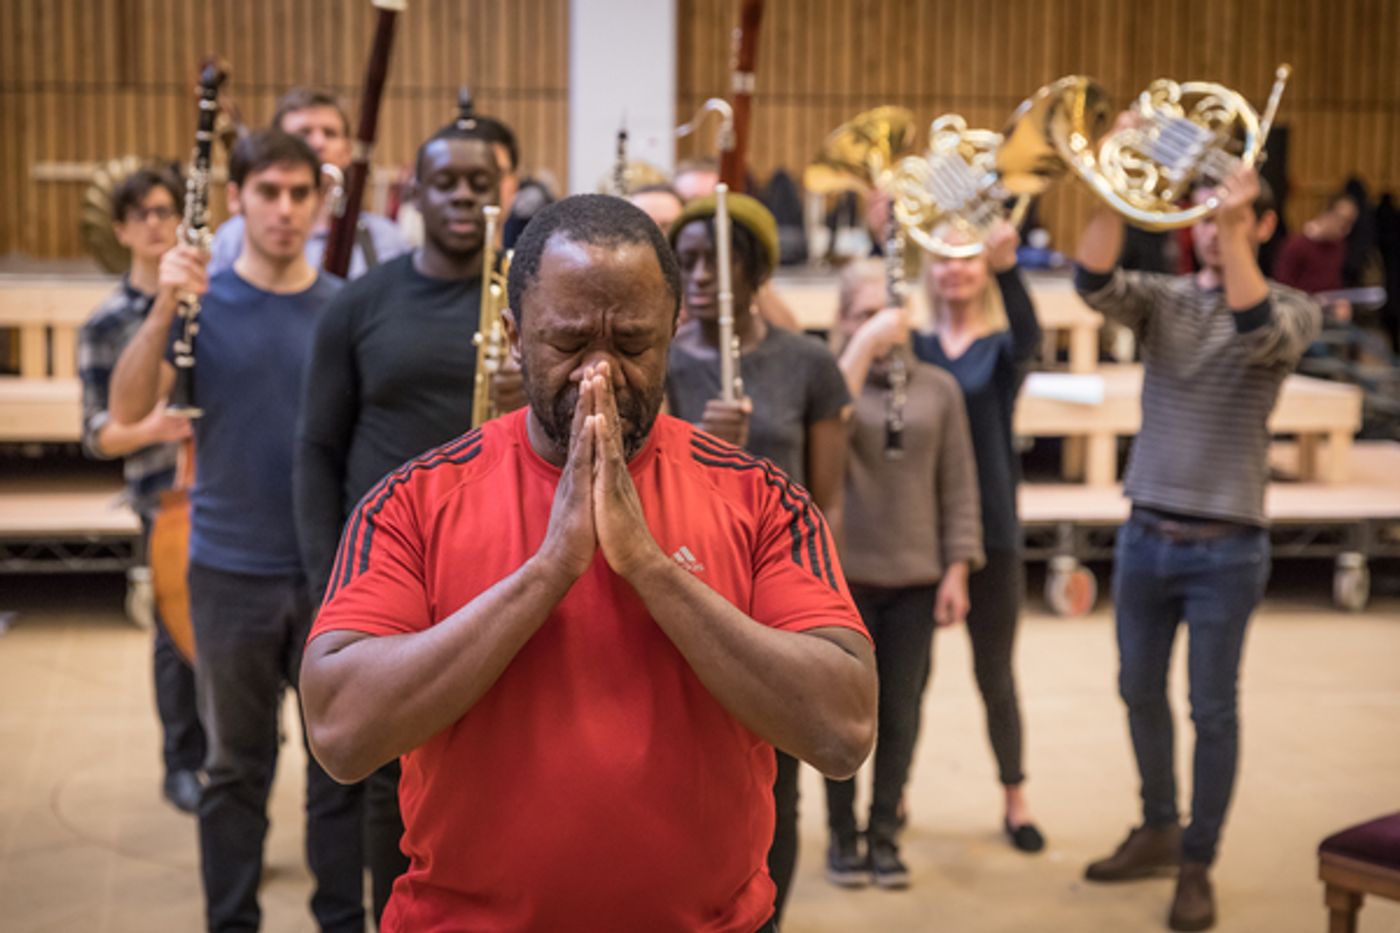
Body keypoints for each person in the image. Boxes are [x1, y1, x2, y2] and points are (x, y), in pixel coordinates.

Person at [298, 194, 878, 932]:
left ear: (673, 330)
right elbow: (342, 735)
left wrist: (653, 568)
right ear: (513, 336)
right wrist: (547, 571)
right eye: (569, 343)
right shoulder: (415, 500)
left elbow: (844, 729)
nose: (600, 371)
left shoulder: (760, 499)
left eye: (633, 343)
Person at [109, 130, 362, 933]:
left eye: (299, 193)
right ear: (237, 200)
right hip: (227, 571)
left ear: (319, 203)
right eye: (268, 192)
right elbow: (124, 410)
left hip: (328, 572)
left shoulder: (344, 308)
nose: (284, 209)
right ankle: (231, 922)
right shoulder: (200, 302)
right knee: (234, 770)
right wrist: (164, 303)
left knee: (339, 771)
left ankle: (339, 918)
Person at [1076, 166, 1321, 932]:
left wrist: (1237, 216)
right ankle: (1158, 825)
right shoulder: (1165, 299)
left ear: (1262, 225)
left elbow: (1256, 332)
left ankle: (1196, 860)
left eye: (1228, 219)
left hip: (1228, 548)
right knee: (1138, 689)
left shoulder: (1292, 308)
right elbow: (1091, 278)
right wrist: (1104, 184)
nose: (1210, 230)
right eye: (1204, 220)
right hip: (1146, 534)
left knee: (1212, 710)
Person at [294, 117, 519, 925]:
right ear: (413, 192)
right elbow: (317, 448)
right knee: (361, 772)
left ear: (508, 189)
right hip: (384, 580)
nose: (463, 195)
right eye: (446, 181)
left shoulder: (528, 307)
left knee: (471, 773)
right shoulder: (358, 305)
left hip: (498, 575)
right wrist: (330, 585)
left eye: (479, 181)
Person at [664, 193, 851, 924]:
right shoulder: (661, 366)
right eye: (689, 263)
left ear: (757, 268)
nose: (703, 276)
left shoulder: (807, 362)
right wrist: (700, 445)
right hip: (682, 588)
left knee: (776, 780)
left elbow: (825, 498)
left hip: (773, 597)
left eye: (720, 259)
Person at [823, 259, 983, 888]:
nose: (881, 329)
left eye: (888, 317)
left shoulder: (939, 389)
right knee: (841, 715)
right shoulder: (831, 384)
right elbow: (827, 436)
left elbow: (959, 485)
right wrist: (860, 349)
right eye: (864, 316)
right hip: (844, 578)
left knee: (902, 715)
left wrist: (957, 570)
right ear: (843, 322)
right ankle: (842, 835)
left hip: (915, 577)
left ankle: (884, 832)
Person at [911, 219, 1046, 854]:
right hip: (919, 533)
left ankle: (1015, 800)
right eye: (942, 261)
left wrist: (1010, 264)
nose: (954, 272)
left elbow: (1030, 337)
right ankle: (896, 795)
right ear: (929, 272)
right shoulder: (909, 346)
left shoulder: (999, 352)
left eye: (966, 261)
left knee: (995, 672)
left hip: (993, 532)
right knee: (905, 679)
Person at [77, 166, 205, 815]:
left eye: (166, 211)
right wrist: (150, 426)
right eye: (143, 214)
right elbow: (97, 434)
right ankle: (180, 760)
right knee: (173, 632)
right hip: (163, 492)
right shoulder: (106, 322)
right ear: (122, 229)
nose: (157, 224)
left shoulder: (206, 301)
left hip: (216, 484)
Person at [209, 87, 410, 279]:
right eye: (303, 133)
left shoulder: (386, 239)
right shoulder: (234, 237)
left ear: (348, 151)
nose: (318, 144)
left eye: (330, 133)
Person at [1273, 193, 1360, 320]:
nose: (1345, 227)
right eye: (1341, 219)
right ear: (1327, 213)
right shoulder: (1296, 245)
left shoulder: (1339, 246)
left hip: (1330, 314)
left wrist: (1341, 302)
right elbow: (1283, 289)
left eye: (1349, 222)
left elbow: (1334, 284)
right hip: (1302, 314)